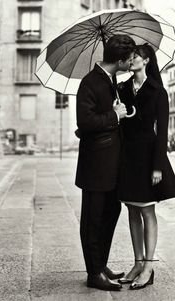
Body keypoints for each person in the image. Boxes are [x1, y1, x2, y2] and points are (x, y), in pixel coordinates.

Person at [117, 44, 175, 290]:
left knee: (146, 211)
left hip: (147, 158)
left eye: (134, 57)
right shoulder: (121, 88)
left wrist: (158, 167)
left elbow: (162, 131)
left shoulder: (158, 91)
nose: (130, 60)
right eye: (130, 57)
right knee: (132, 211)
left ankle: (148, 266)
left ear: (145, 61)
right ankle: (136, 263)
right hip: (127, 157)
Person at [75, 34, 136, 291]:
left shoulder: (110, 80)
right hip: (95, 166)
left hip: (112, 164)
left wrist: (121, 112)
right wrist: (114, 115)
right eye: (130, 59)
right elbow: (85, 123)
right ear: (120, 60)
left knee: (112, 212)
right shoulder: (90, 82)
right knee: (93, 218)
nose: (133, 62)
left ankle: (100, 264)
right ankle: (93, 273)